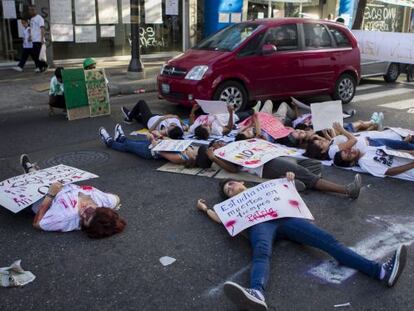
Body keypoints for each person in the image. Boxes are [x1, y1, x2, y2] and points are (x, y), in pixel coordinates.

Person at [196, 179, 407, 311]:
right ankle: (256, 293)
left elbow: (288, 192)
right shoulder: (230, 207)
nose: (231, 188)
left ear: (242, 183)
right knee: (261, 253)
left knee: (329, 242)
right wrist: (205, 209)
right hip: (260, 226)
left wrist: (289, 180)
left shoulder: (264, 187)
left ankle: (380, 272)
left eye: (232, 183)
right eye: (228, 190)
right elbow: (220, 218)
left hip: (286, 220)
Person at [199, 140, 362, 199]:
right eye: (216, 145)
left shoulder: (234, 145)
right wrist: (214, 158)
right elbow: (234, 170)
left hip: (273, 157)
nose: (220, 144)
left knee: (313, 164)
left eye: (219, 142)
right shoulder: (225, 155)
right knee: (308, 175)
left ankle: (294, 183)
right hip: (267, 166)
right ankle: (347, 190)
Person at [19, 154, 126, 238]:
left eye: (84, 220)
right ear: (101, 208)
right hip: (61, 184)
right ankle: (34, 172)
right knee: (45, 178)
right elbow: (116, 198)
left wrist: (50, 195)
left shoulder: (65, 218)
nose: (84, 214)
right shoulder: (104, 201)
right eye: (90, 212)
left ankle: (31, 173)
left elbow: (37, 224)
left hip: (38, 197)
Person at [98, 124, 208, 168]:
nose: (194, 150)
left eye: (195, 153)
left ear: (194, 157)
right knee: (130, 144)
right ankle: (120, 138)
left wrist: (153, 140)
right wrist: (161, 137)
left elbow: (161, 151)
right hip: (155, 144)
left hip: (150, 151)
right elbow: (171, 142)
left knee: (128, 146)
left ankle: (110, 142)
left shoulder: (180, 158)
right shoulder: (188, 149)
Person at [305, 122, 413, 161]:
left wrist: (327, 134)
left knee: (402, 146)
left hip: (370, 142)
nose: (322, 141)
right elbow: (353, 140)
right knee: (404, 148)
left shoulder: (330, 147)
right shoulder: (332, 151)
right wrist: (341, 130)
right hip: (371, 144)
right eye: (320, 144)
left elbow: (336, 140)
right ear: (322, 151)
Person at [333, 147, 414, 182]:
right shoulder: (364, 163)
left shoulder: (367, 149)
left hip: (409, 159)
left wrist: (411, 152)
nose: (351, 151)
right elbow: (388, 172)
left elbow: (393, 152)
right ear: (351, 162)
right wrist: (412, 165)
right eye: (349, 155)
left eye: (347, 150)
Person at [121, 100, 186, 139]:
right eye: (170, 127)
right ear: (176, 126)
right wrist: (178, 119)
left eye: (168, 129)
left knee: (141, 102)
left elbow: (150, 131)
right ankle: (131, 114)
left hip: (149, 120)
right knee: (138, 116)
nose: (168, 127)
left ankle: (129, 118)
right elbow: (177, 117)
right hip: (155, 116)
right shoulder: (180, 128)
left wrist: (160, 119)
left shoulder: (164, 130)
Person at [28, 5, 47, 72]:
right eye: (29, 10)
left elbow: (42, 29)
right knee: (35, 54)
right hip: (34, 40)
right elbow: (32, 29)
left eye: (31, 10)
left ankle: (41, 67)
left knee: (37, 55)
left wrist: (42, 39)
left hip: (39, 40)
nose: (29, 11)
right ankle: (42, 66)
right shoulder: (31, 19)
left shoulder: (39, 18)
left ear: (34, 10)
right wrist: (30, 36)